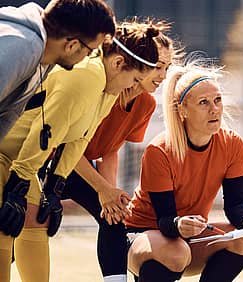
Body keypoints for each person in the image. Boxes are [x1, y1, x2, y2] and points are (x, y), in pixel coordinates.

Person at [0, 21, 162, 282]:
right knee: (6, 227)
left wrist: (54, 185)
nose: (132, 88)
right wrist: (18, 185)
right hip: (7, 154)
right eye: (134, 80)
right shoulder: (87, 75)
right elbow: (46, 131)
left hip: (19, 159)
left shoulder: (109, 86)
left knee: (35, 223)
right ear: (119, 63)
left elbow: (78, 139)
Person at [124, 62, 243, 282]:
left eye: (217, 100)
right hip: (143, 234)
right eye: (203, 103)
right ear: (183, 110)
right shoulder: (159, 150)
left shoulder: (232, 144)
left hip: (186, 237)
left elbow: (236, 204)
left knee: (242, 239)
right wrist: (179, 224)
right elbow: (165, 220)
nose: (214, 108)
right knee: (176, 251)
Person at [60, 22, 175, 282]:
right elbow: (68, 145)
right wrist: (102, 189)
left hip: (84, 165)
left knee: (115, 218)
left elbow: (110, 149)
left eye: (167, 67)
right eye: (158, 66)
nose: (163, 74)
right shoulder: (101, 87)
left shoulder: (145, 103)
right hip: (54, 160)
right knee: (26, 223)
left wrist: (109, 194)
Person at [0, 0, 116, 141]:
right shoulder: (23, 47)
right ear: (72, 45)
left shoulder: (45, 58)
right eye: (90, 51)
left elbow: (8, 116)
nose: (89, 56)